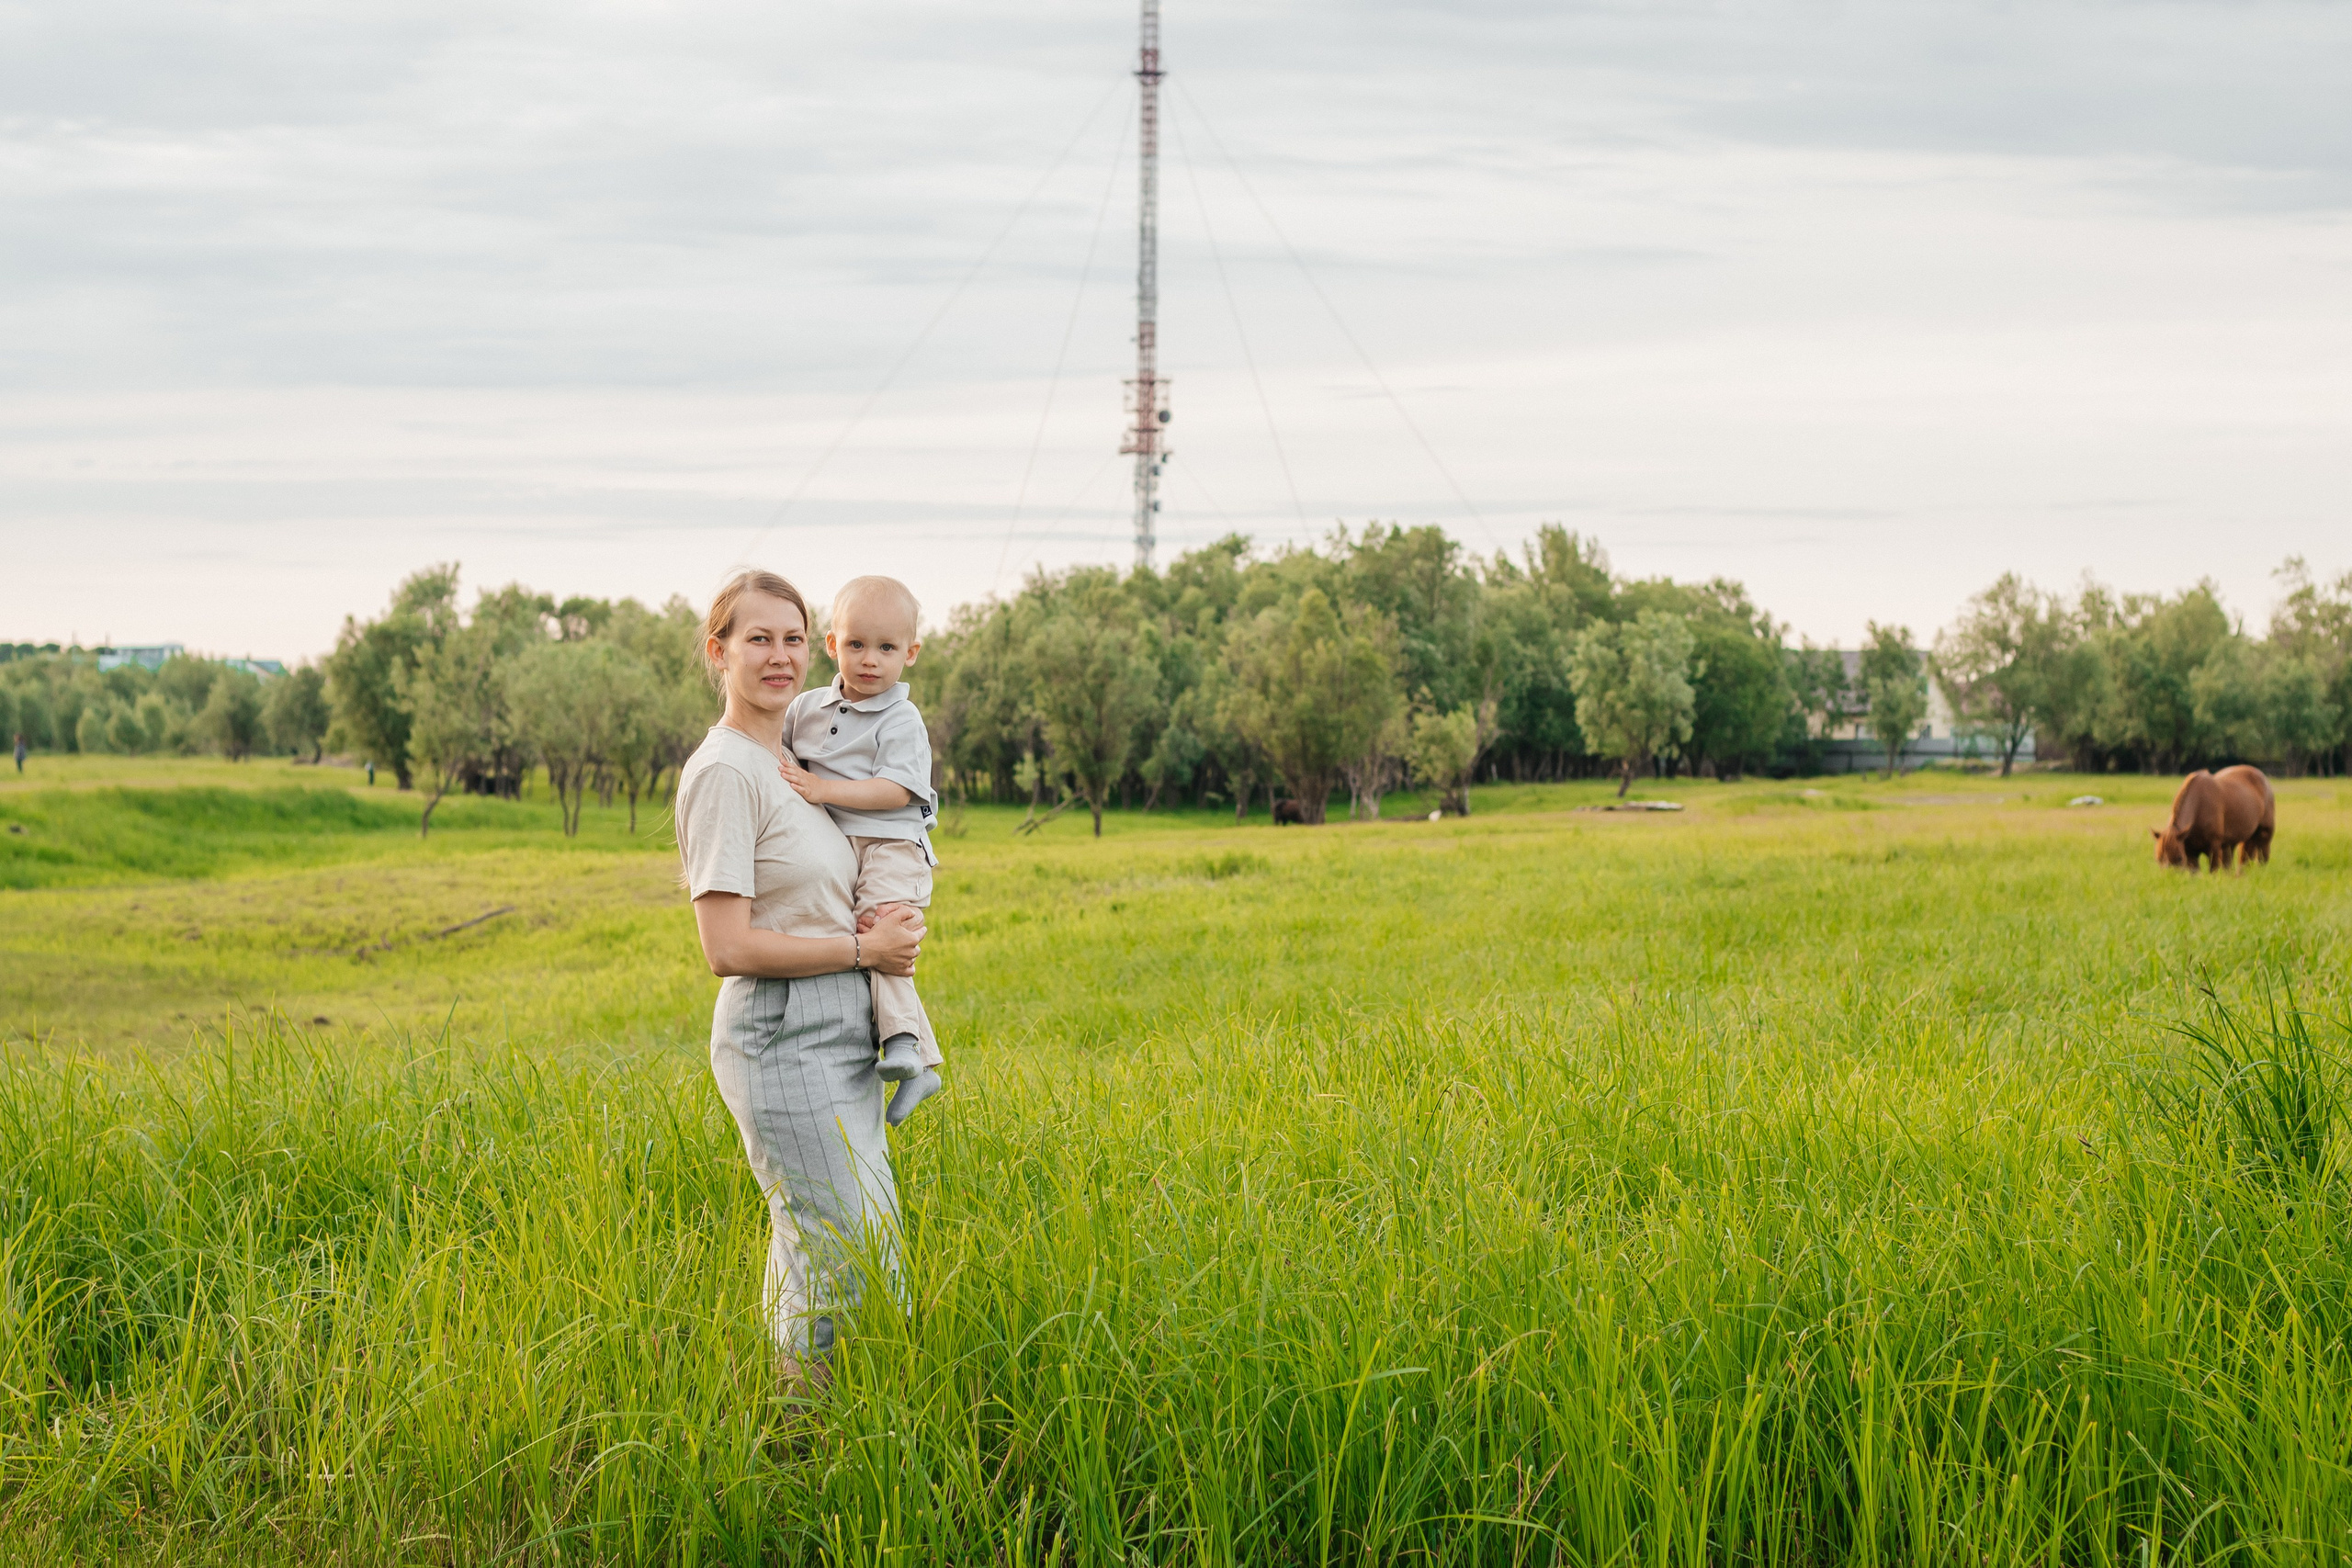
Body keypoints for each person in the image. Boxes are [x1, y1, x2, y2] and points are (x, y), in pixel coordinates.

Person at [674, 567, 925, 1382]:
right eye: (759, 639)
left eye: (791, 637)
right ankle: (801, 1442)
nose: (780, 657)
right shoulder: (724, 772)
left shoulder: (791, 751)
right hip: (782, 1034)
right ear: (720, 652)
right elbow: (727, 947)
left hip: (837, 1031)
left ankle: (811, 1427)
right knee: (838, 1248)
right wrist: (864, 952)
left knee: (851, 1240)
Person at [780, 576, 944, 1125]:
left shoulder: (902, 718)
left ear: (910, 654)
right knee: (860, 935)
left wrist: (824, 790)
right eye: (856, 645)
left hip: (892, 843)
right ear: (832, 645)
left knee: (879, 931)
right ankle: (922, 1065)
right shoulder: (805, 709)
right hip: (841, 846)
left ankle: (902, 1045)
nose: (870, 660)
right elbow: (773, 748)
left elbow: (896, 790)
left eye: (887, 648)